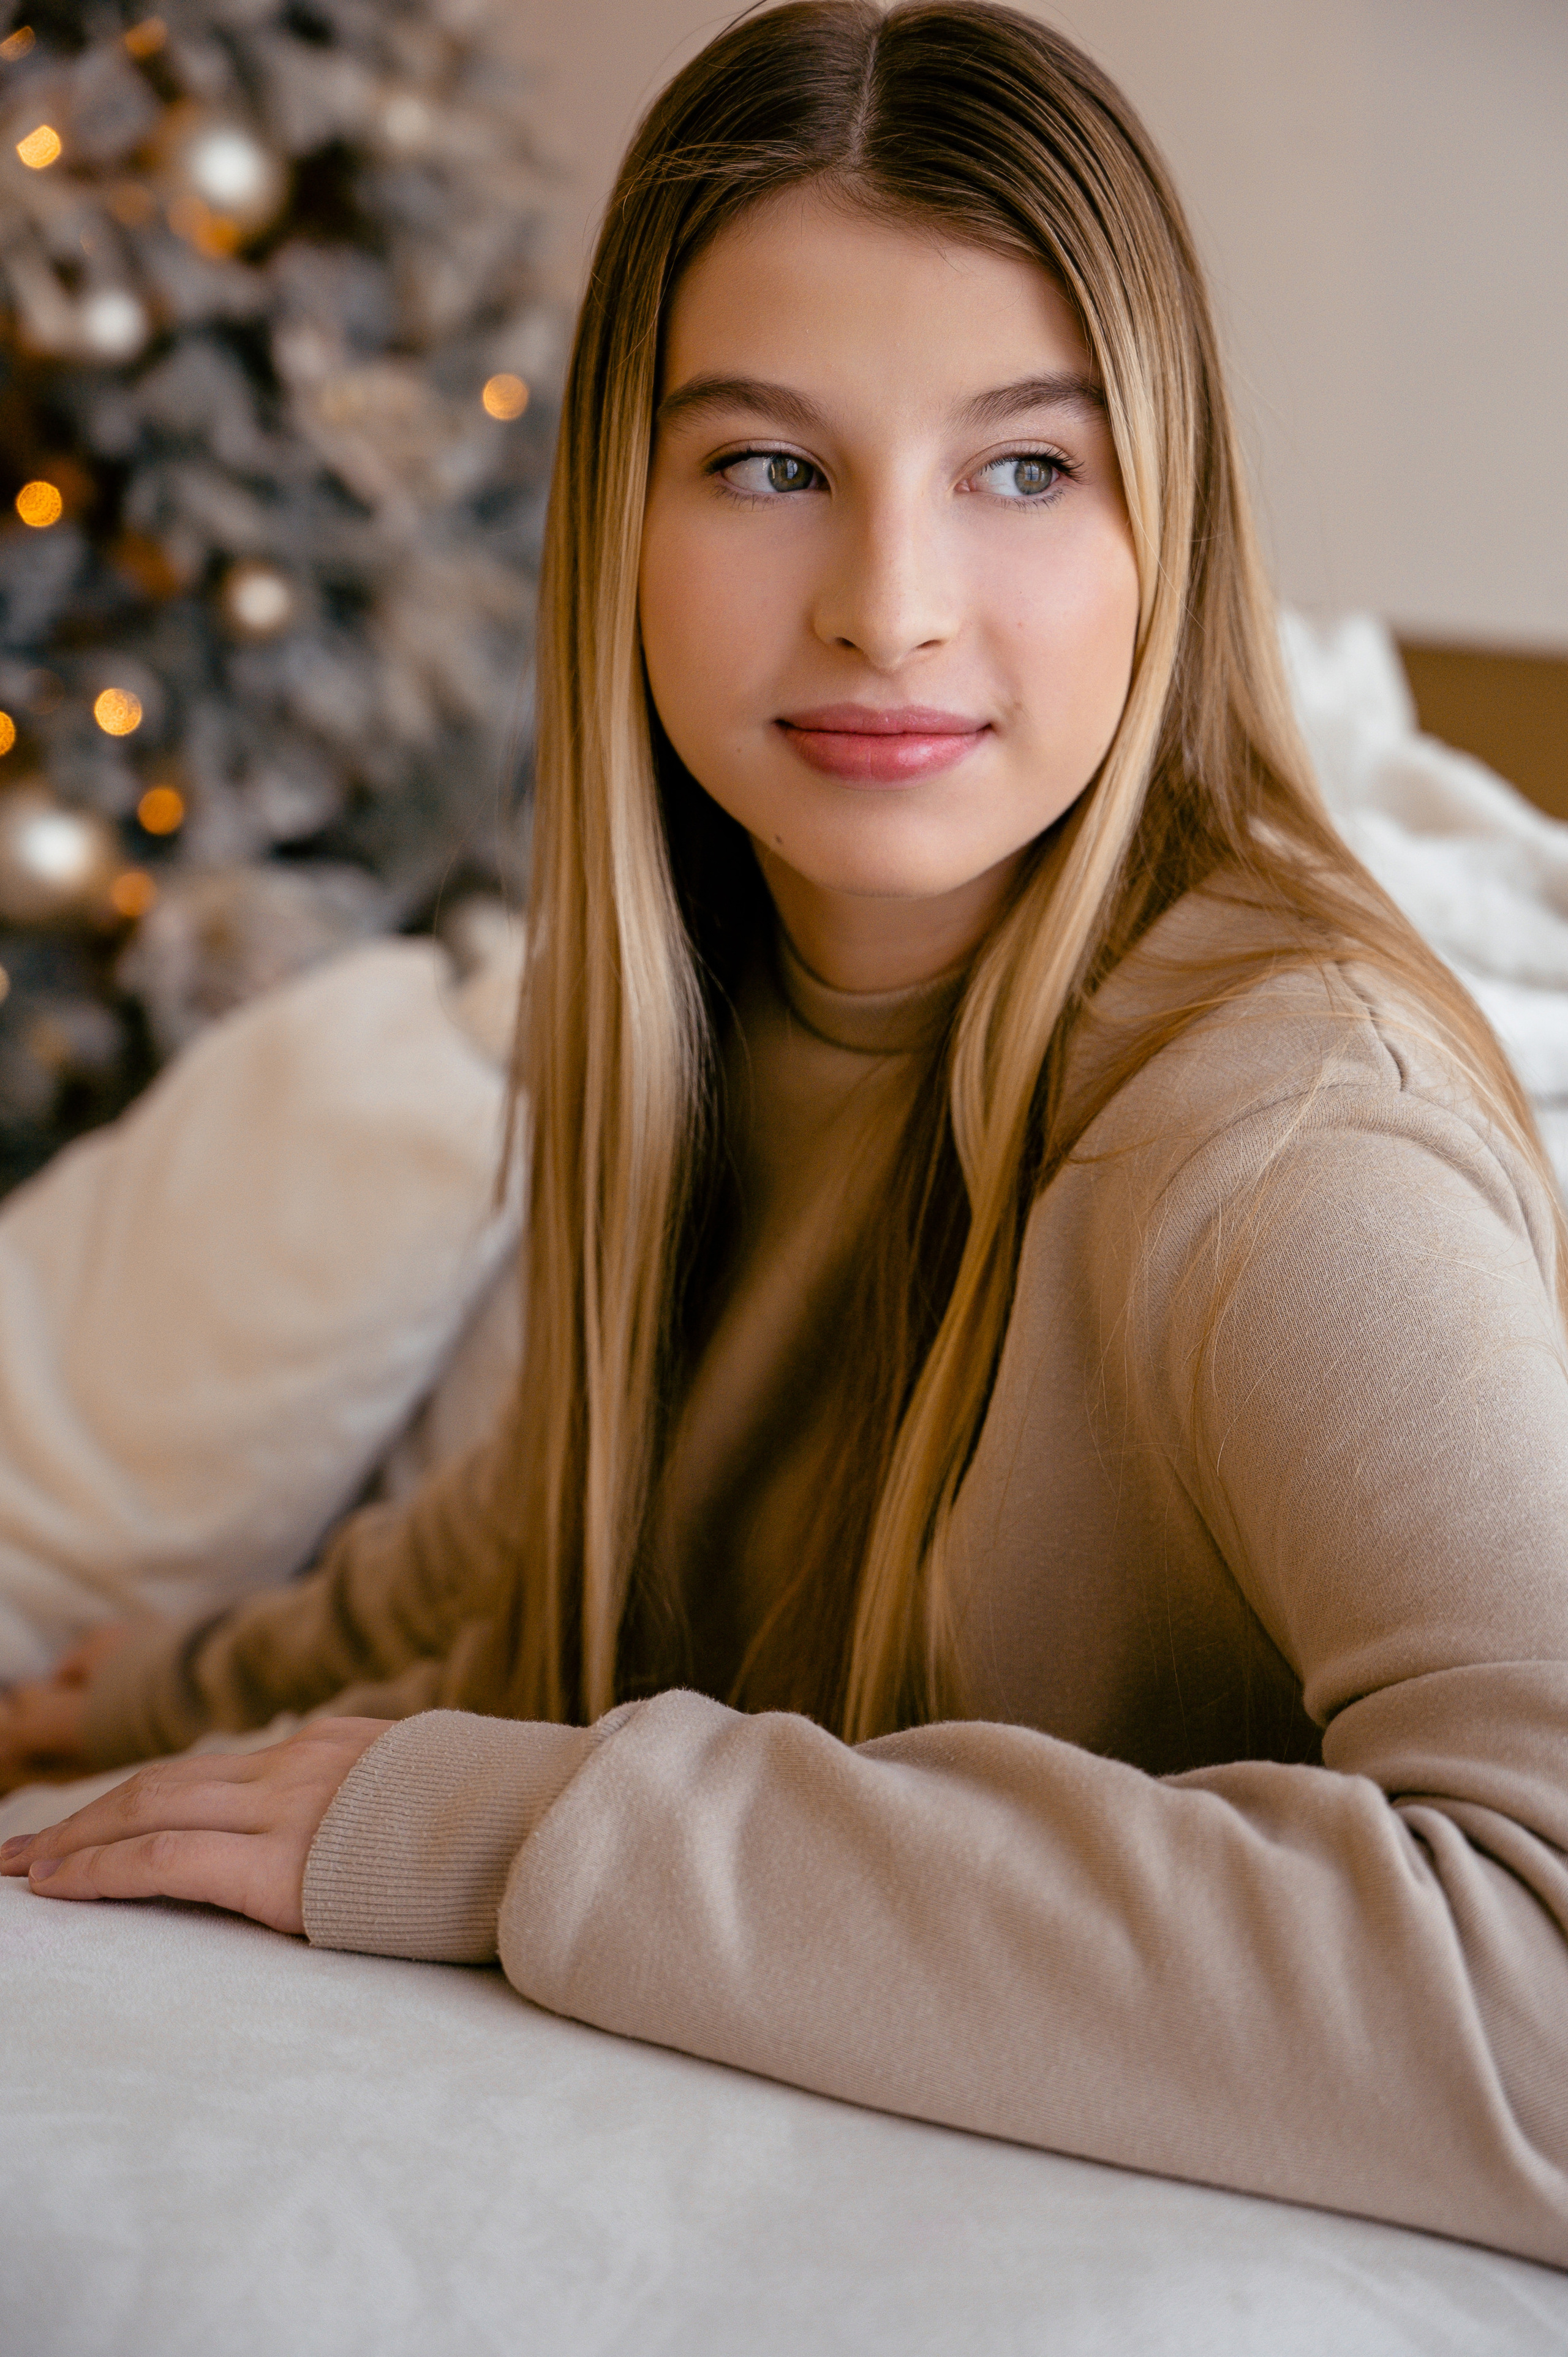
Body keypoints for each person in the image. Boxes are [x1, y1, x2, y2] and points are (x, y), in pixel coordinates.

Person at [4, 0, 1568, 2266]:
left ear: (1171, 529)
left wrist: (533, 1832)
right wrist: (122, 1707)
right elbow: (535, 1523)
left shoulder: (1286, 1151)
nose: (890, 605)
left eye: (1024, 468)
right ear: (619, 519)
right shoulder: (727, 995)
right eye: (765, 464)